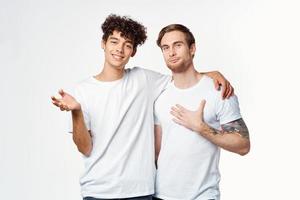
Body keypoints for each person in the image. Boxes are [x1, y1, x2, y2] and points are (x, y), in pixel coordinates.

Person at [51, 14, 233, 200]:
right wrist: (76, 112)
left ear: (133, 52)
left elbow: (183, 75)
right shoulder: (82, 90)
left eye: (127, 45)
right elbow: (85, 148)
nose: (120, 49)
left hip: (141, 192)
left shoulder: (144, 79)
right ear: (103, 43)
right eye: (114, 42)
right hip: (98, 191)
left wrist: (212, 74)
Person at [154, 24, 250, 200]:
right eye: (165, 48)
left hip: (202, 196)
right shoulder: (159, 93)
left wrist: (201, 128)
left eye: (178, 45)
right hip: (161, 195)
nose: (171, 52)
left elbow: (243, 145)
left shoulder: (218, 91)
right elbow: (158, 151)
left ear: (192, 48)